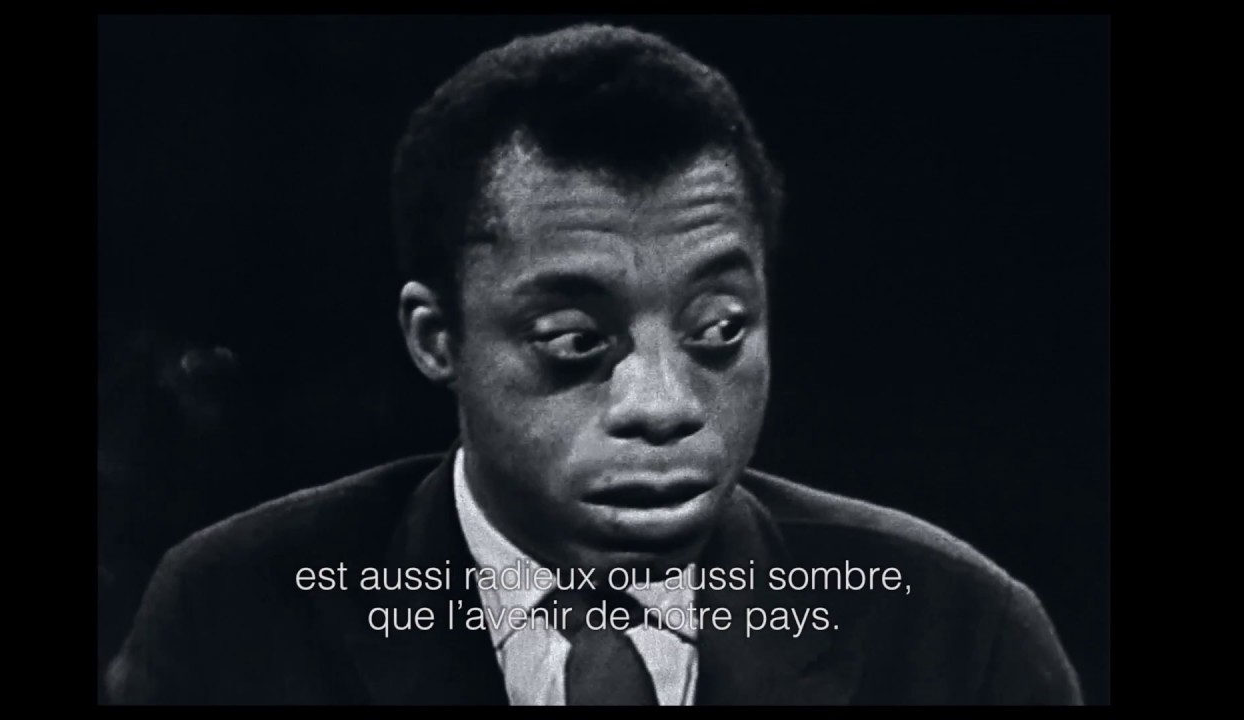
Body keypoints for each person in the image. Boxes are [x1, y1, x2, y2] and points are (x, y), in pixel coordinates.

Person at [105, 23, 1083, 705]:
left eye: (717, 330)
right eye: (577, 342)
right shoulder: (234, 616)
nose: (662, 405)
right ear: (435, 338)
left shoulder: (958, 635)